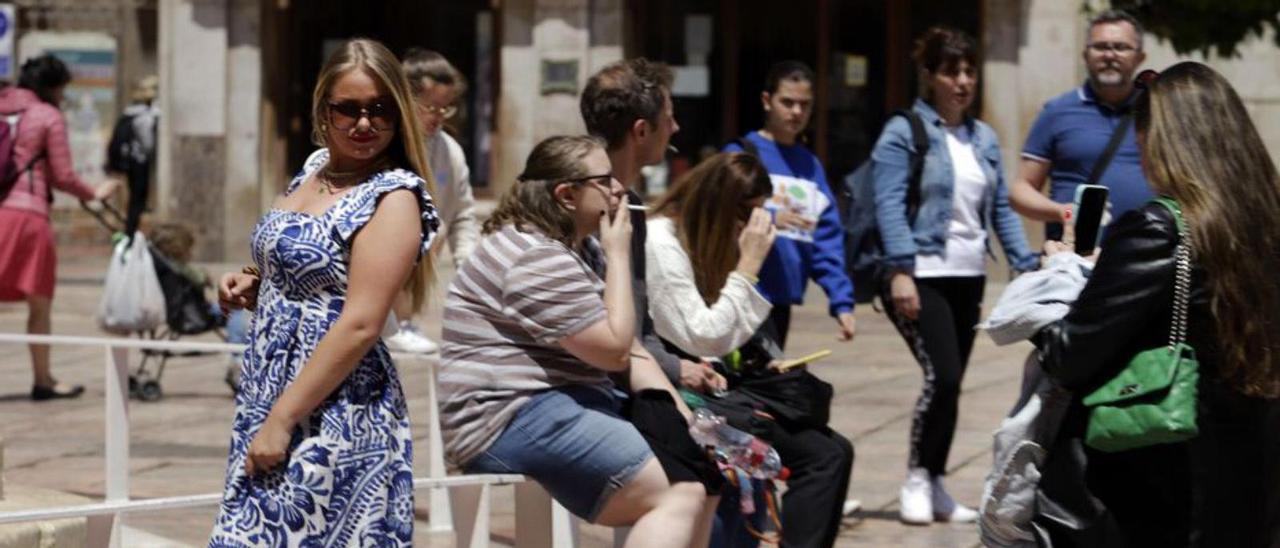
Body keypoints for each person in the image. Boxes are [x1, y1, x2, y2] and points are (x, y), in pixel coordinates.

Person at [1034, 62, 1280, 547]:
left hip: (1163, 475)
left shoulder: (1158, 227)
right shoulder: (1263, 222)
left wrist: (1059, 279)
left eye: (1142, 135)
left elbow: (1069, 354)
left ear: (1163, 140)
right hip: (1253, 469)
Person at [209, 38, 439, 546]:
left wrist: (283, 419)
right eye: (348, 109)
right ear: (323, 111)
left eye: (380, 109)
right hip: (271, 389)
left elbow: (360, 323)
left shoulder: (392, 196)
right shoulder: (314, 168)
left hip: (336, 407)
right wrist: (258, 276)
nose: (364, 123)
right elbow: (308, 256)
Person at [437, 135, 712, 546]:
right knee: (673, 492)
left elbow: (632, 348)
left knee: (702, 475)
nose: (620, 188)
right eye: (605, 180)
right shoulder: (534, 256)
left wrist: (680, 415)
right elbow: (615, 350)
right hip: (505, 415)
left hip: (563, 399)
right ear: (566, 194)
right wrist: (620, 253)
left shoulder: (579, 250)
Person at [868, 27, 1036, 525]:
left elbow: (1000, 210)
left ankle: (937, 482)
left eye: (968, 71)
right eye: (951, 72)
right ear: (930, 76)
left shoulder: (983, 137)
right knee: (942, 376)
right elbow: (888, 204)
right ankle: (917, 478)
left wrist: (1025, 265)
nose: (962, 82)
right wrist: (900, 271)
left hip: (968, 274)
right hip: (922, 271)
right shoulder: (904, 131)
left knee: (954, 381)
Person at [647, 152, 856, 548]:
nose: (749, 227)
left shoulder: (703, 238)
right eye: (748, 214)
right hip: (679, 397)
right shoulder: (662, 241)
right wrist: (749, 263)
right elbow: (704, 334)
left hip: (716, 386)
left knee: (833, 449)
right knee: (821, 457)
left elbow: (728, 335)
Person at [0, 54, 119, 401]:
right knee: (39, 303)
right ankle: (43, 379)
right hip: (26, 215)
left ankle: (45, 379)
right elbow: (63, 175)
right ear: (54, 87)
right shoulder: (46, 116)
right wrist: (95, 192)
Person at [723, 60, 856, 350]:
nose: (796, 112)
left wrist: (841, 302)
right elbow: (716, 211)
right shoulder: (741, 154)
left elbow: (826, 238)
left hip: (781, 300)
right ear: (767, 101)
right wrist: (769, 217)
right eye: (788, 102)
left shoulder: (810, 166)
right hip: (737, 294)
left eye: (804, 104)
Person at [1010, 10, 1152, 239]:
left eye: (1120, 47)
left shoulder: (1159, 113)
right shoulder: (1056, 112)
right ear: (1085, 55)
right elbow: (1021, 190)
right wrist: (1062, 212)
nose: (1110, 55)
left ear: (1140, 58)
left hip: (1146, 254)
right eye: (1100, 47)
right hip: (1076, 257)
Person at [384, 48, 480, 354]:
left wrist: (466, 265)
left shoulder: (450, 151)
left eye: (446, 108)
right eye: (431, 107)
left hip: (415, 284)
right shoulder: (380, 144)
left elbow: (463, 214)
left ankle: (403, 322)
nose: (439, 116)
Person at [105, 75, 159, 239]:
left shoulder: (129, 114)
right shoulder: (145, 116)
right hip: (140, 162)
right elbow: (147, 143)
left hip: (131, 163)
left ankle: (132, 231)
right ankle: (132, 233)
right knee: (138, 200)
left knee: (135, 199)